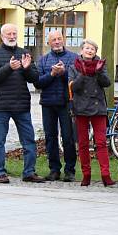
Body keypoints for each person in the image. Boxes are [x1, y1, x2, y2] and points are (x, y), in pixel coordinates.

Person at [0, 23, 44, 184]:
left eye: (14, 34)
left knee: (29, 140)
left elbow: (34, 79)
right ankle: (0, 172)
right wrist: (9, 67)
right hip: (1, 105)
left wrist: (26, 68)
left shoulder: (24, 53)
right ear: (2, 36)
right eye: (8, 34)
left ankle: (29, 172)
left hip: (21, 105)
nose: (12, 37)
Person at [69, 39, 115, 187]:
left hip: (98, 107)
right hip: (81, 108)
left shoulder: (101, 65)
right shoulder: (73, 66)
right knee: (83, 143)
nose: (89, 51)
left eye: (92, 49)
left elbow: (107, 83)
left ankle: (106, 175)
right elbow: (74, 88)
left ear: (95, 52)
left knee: (101, 142)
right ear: (82, 50)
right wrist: (82, 74)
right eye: (87, 48)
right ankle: (86, 174)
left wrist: (99, 72)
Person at [34, 30, 77, 182]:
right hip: (48, 103)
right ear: (49, 43)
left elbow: (77, 81)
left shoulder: (73, 58)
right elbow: (38, 83)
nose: (57, 42)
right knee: (50, 137)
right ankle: (54, 169)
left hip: (66, 103)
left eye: (59, 39)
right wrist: (52, 74)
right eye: (54, 40)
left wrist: (64, 72)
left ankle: (70, 170)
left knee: (68, 137)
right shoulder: (44, 60)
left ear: (63, 40)